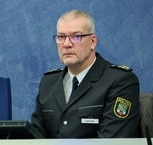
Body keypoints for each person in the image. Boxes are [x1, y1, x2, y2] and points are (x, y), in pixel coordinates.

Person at [31, 10, 140, 138]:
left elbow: (111, 144)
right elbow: (35, 138)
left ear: (93, 42)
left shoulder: (120, 81)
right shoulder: (48, 82)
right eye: (61, 37)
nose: (66, 44)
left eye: (76, 37)